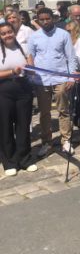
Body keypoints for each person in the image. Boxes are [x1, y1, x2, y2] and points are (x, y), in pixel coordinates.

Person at [27, 8, 78, 157]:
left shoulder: (63, 35)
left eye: (47, 18)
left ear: (53, 18)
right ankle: (47, 142)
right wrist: (31, 77)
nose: (45, 22)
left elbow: (71, 56)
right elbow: (30, 57)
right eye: (41, 19)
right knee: (44, 113)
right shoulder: (34, 37)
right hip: (41, 80)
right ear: (38, 20)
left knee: (63, 110)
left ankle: (66, 140)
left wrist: (71, 77)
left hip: (60, 78)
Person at [0, 22, 37, 176]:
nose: (7, 35)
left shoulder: (23, 47)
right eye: (3, 33)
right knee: (5, 126)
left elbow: (32, 68)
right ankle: (9, 161)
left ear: (14, 32)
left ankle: (24, 158)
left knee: (23, 124)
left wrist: (30, 69)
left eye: (9, 32)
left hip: (23, 90)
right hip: (4, 91)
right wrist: (11, 72)